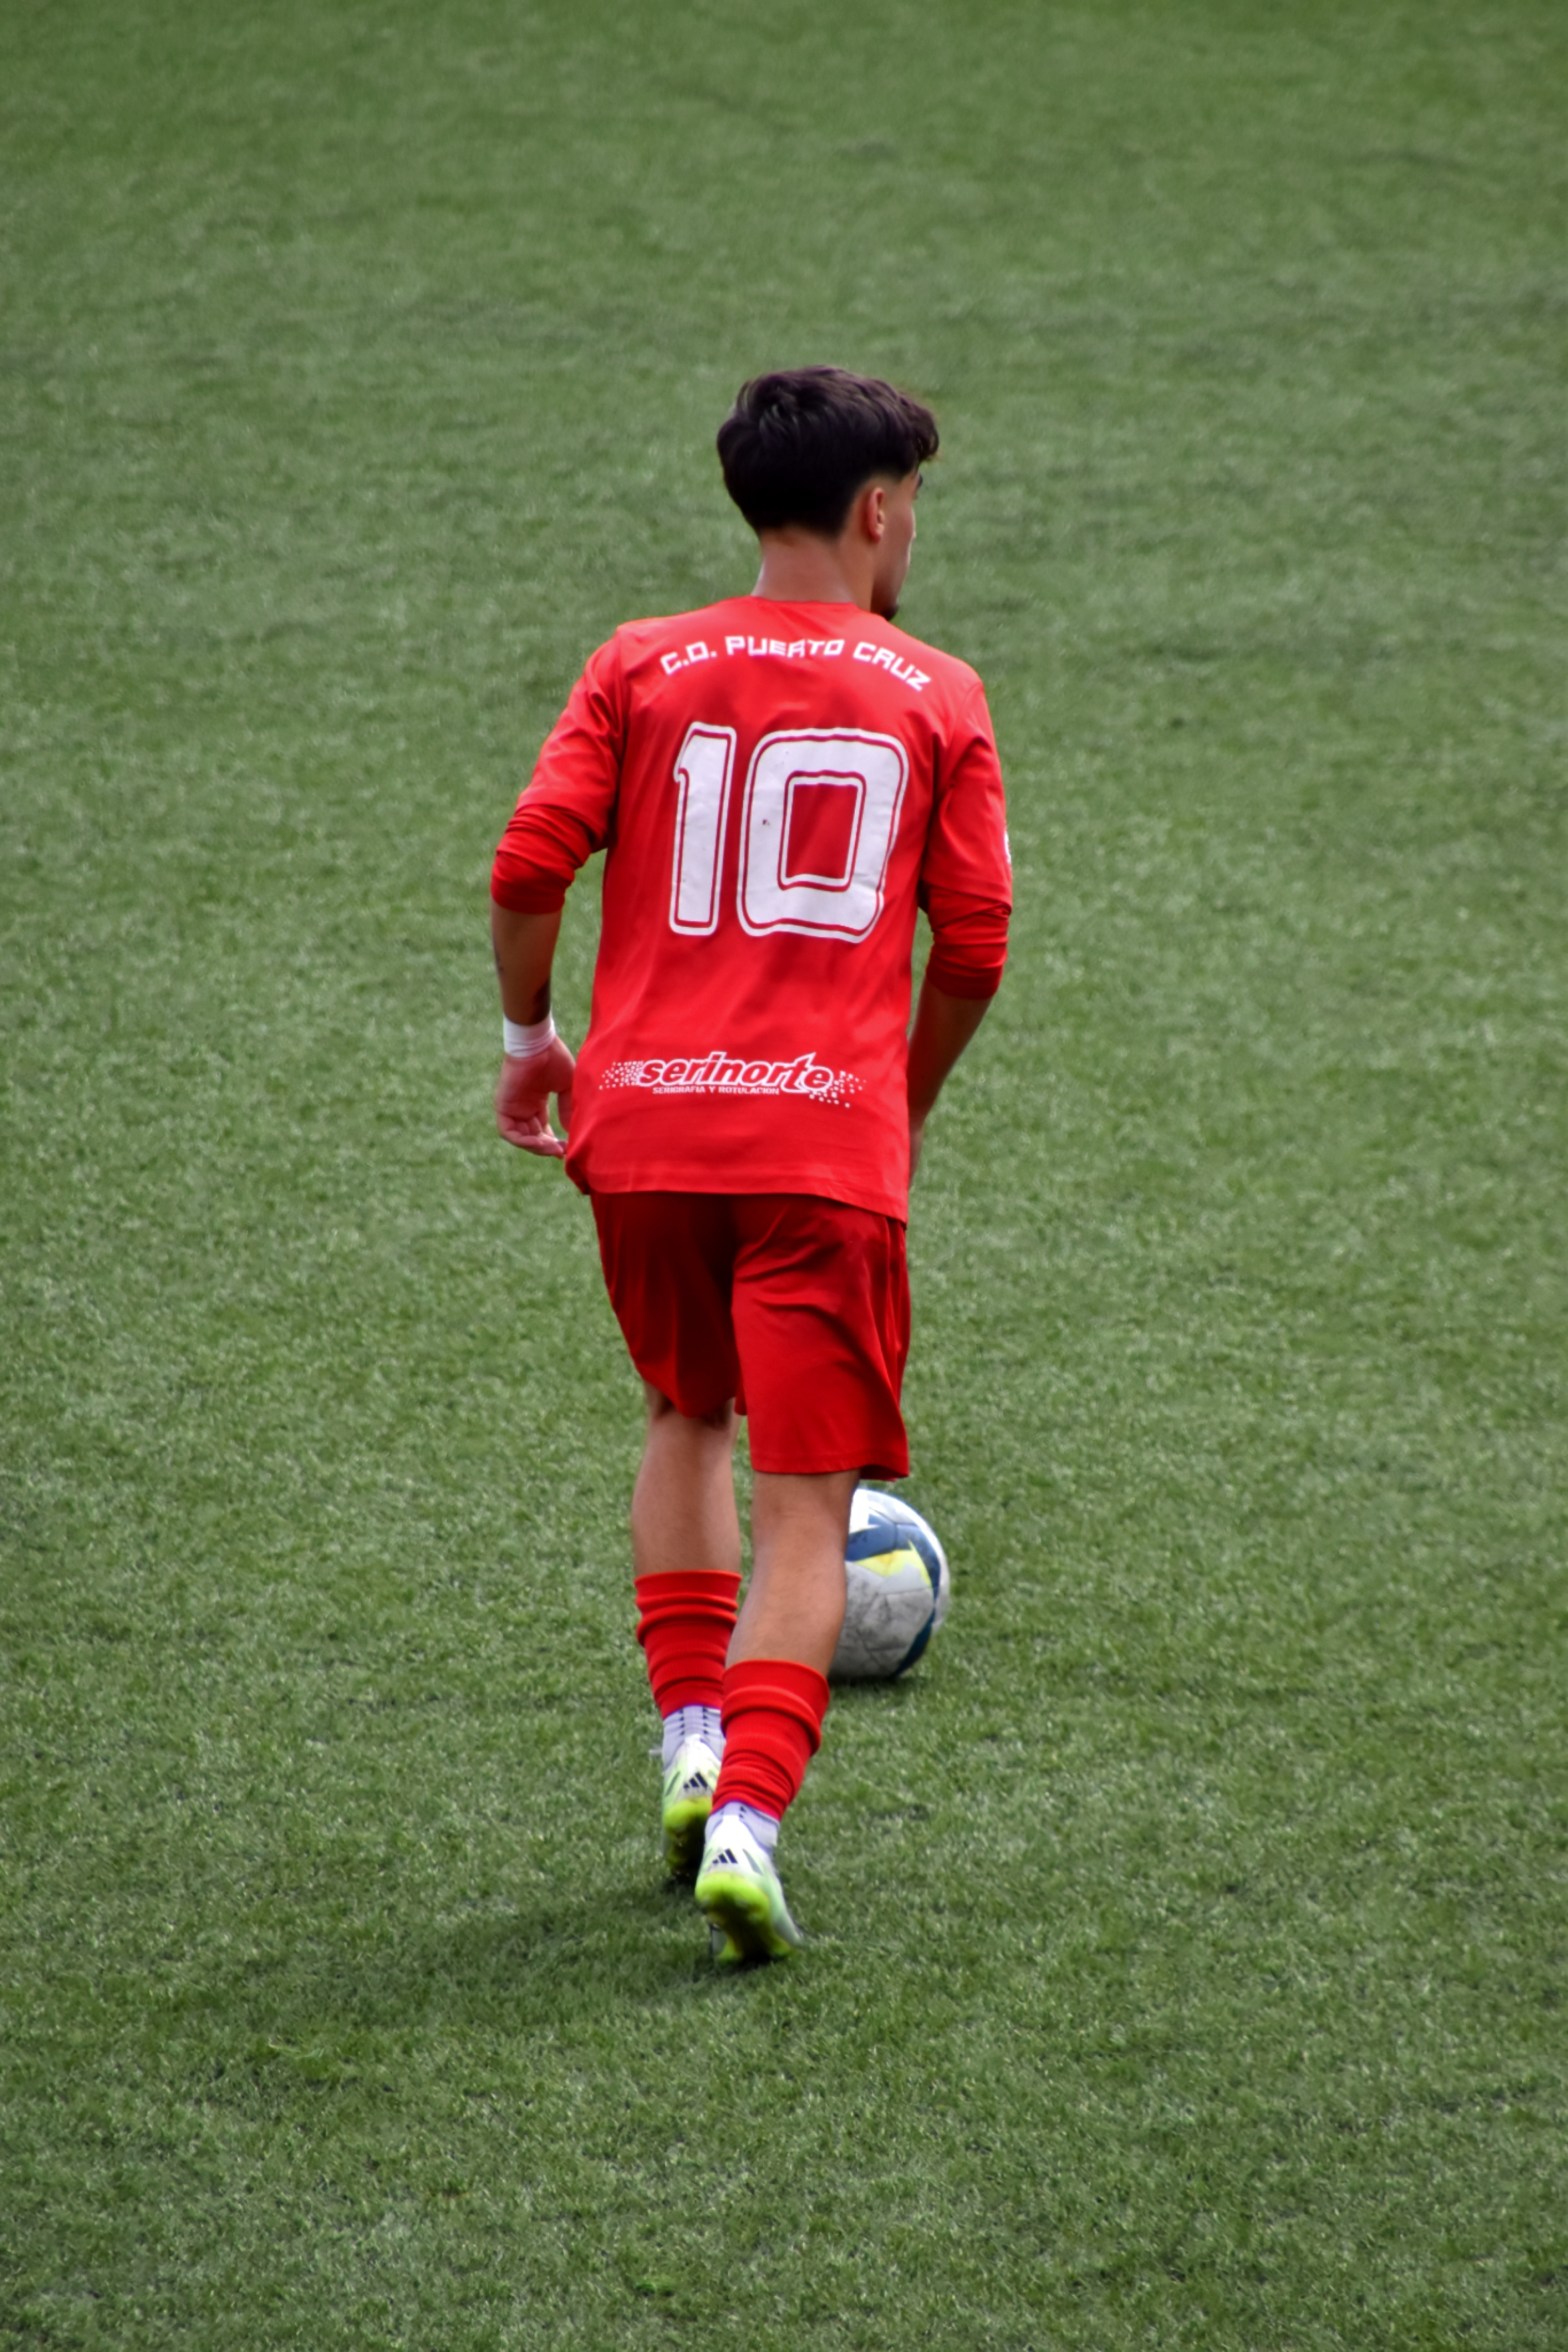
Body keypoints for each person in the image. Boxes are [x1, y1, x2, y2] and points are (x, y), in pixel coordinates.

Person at [489, 367, 1011, 1963]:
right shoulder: (939, 690)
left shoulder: (639, 661)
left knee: (683, 1415)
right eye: (915, 505)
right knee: (808, 1507)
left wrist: (531, 1039)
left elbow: (527, 862)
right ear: (878, 510)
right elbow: (976, 942)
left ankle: (688, 1745)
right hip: (818, 1147)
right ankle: (749, 1829)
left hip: (644, 1131)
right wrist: (896, 1102)